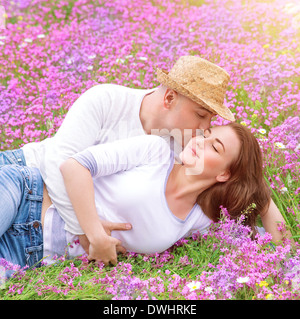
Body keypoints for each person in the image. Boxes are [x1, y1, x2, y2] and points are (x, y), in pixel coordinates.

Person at [0, 56, 286, 266]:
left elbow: (231, 179)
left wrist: (253, 180)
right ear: (170, 98)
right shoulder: (107, 99)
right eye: (201, 115)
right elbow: (61, 162)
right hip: (29, 172)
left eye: (210, 122)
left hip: (39, 234)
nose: (202, 130)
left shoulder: (183, 147)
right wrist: (89, 231)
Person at [0, 122, 282, 270]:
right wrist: (95, 234)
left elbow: (280, 251)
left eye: (214, 147)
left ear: (224, 175)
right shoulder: (155, 151)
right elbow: (74, 166)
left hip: (31, 253)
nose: (198, 141)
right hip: (26, 196)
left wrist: (259, 190)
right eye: (206, 134)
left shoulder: (200, 220)